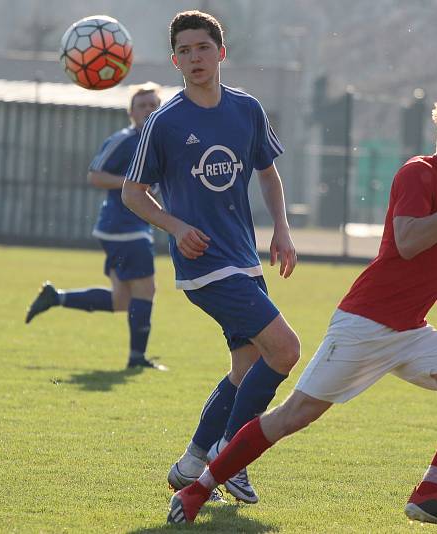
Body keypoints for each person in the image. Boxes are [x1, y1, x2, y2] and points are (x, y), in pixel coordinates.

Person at [169, 93, 437, 530]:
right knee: (292, 416)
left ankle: (430, 492)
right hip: (364, 325)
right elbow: (408, 242)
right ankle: (197, 488)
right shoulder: (418, 173)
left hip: (410, 331)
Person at [121, 11, 301, 504]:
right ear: (174, 60)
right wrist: (176, 228)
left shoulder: (247, 109)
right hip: (205, 267)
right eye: (184, 50)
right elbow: (132, 194)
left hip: (244, 258)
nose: (194, 58)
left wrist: (282, 230)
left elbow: (267, 173)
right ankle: (231, 457)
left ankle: (192, 463)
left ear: (220, 53)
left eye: (203, 48)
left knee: (246, 367)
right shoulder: (164, 122)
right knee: (284, 349)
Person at [25, 83, 166, 370]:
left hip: (132, 227)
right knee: (146, 290)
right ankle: (136, 359)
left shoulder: (162, 143)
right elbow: (95, 176)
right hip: (123, 226)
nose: (149, 110)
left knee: (122, 300)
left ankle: (57, 297)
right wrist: (132, 185)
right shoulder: (124, 140)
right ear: (131, 112)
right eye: (142, 105)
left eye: (154, 105)